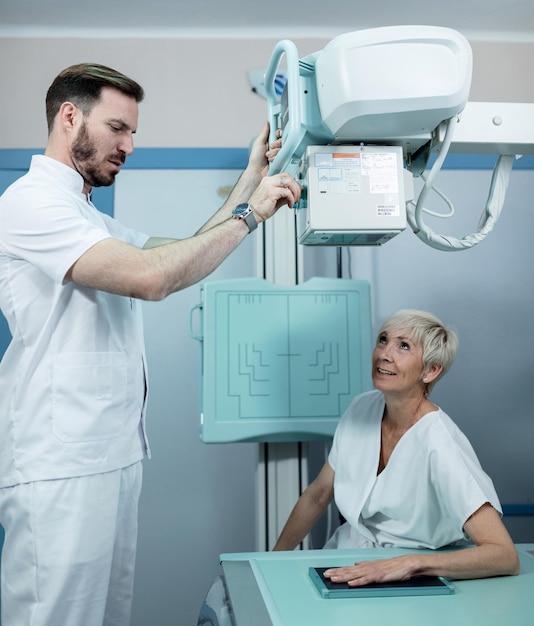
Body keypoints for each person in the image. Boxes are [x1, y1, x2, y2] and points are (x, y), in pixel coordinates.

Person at [0, 63, 300, 626]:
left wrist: (249, 179)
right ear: (70, 117)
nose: (130, 146)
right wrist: (251, 212)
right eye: (118, 128)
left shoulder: (86, 216)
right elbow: (151, 278)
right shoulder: (30, 202)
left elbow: (182, 252)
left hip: (111, 453)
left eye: (133, 132)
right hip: (60, 461)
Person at [273, 309, 520, 585]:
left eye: (403, 346)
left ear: (430, 370)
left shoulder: (439, 442)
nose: (384, 354)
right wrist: (270, 562)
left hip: (412, 573)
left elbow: (504, 555)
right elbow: (318, 495)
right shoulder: (361, 409)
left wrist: (410, 564)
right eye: (383, 340)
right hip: (347, 560)